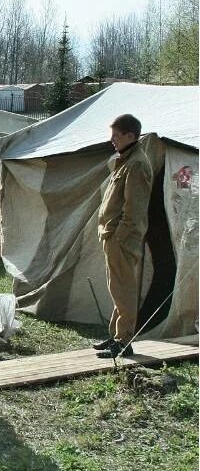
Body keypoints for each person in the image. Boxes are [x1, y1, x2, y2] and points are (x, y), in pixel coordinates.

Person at [94, 114, 153, 358]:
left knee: (125, 289)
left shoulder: (137, 163)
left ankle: (124, 341)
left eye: (116, 135)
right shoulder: (126, 161)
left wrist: (119, 236)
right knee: (118, 288)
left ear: (130, 135)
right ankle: (116, 336)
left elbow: (134, 209)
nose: (112, 140)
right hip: (113, 236)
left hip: (121, 239)